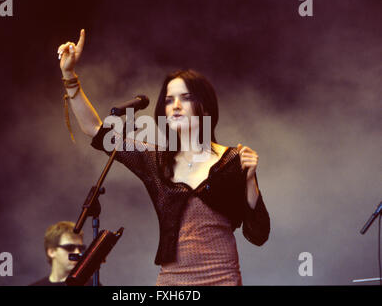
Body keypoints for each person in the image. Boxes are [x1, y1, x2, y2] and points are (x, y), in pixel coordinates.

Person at [56, 29, 270, 285]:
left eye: (185, 98)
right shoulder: (156, 161)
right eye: (169, 100)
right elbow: (95, 130)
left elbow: (258, 235)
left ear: (205, 105)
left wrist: (250, 180)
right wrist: (70, 76)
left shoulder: (232, 160)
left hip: (222, 278)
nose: (176, 106)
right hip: (172, 282)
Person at [30, 221, 94, 286]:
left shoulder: (92, 284)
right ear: (51, 252)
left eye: (80, 248)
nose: (77, 252)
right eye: (69, 247)